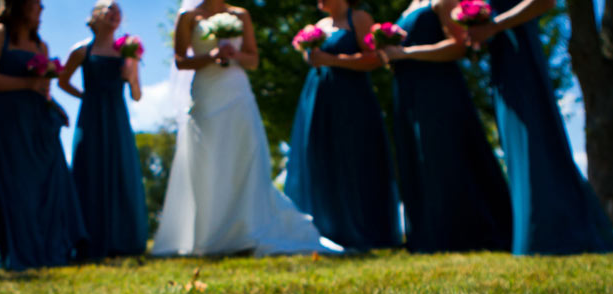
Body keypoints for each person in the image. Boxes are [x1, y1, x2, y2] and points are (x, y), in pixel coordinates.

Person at [152, 0, 343, 257]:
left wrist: (234, 54)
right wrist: (210, 56)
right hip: (207, 92)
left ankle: (247, 230)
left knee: (243, 157)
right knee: (209, 160)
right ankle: (209, 235)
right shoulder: (188, 16)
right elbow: (180, 61)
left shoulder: (240, 15)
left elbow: (253, 60)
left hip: (236, 90)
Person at [467, 0, 613, 255]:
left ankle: (556, 233)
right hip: (501, 57)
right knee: (518, 148)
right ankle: (531, 233)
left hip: (521, 51)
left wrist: (495, 25)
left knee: (537, 141)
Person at [378, 0, 513, 253]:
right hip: (409, 92)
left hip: (437, 88)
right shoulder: (408, 8)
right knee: (419, 158)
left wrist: (407, 54)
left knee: (446, 155)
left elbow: (459, 45)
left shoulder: (440, 1)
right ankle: (430, 234)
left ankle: (466, 233)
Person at [0, 0, 87, 270]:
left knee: (44, 184)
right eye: (36, 3)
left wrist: (55, 106)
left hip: (33, 122)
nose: (41, 9)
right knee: (13, 187)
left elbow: (42, 89)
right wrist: (26, 83)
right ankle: (17, 251)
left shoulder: (40, 46)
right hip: (1, 120)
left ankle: (49, 248)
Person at [284, 0, 401, 250]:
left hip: (351, 99)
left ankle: (362, 230)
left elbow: (374, 58)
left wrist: (331, 60)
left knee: (355, 157)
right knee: (321, 157)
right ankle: (324, 229)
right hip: (317, 98)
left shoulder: (359, 18)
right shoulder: (319, 25)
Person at [58, 1, 148, 260]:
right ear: (95, 16)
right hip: (91, 118)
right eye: (108, 8)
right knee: (90, 171)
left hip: (117, 118)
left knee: (122, 170)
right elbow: (63, 81)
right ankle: (88, 240)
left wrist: (130, 74)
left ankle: (124, 240)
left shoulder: (127, 50)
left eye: (118, 10)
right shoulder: (82, 51)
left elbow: (137, 95)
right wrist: (85, 96)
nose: (114, 13)